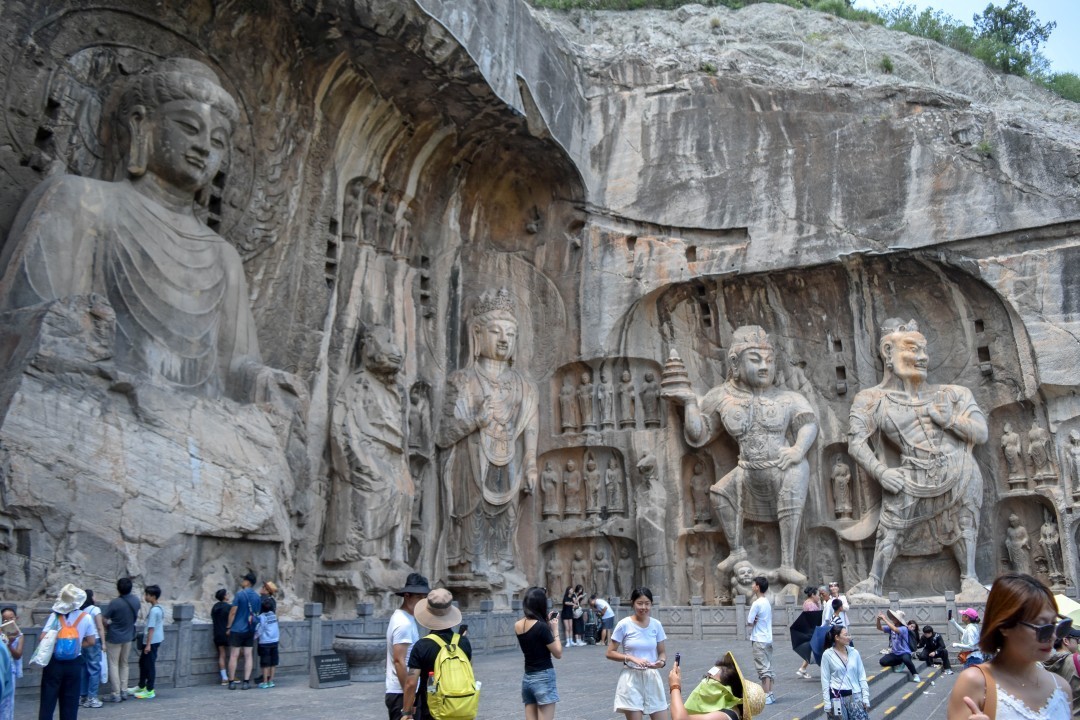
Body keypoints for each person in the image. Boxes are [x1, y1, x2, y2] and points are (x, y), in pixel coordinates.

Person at [0, 58, 288, 402]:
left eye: (218, 141)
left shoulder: (223, 256)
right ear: (141, 123)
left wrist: (266, 382)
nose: (204, 148)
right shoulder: (78, 200)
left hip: (197, 424)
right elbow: (31, 320)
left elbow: (237, 364)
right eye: (189, 127)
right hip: (88, 400)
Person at [663, 327, 818, 587]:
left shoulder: (788, 397)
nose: (764, 367)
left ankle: (788, 564)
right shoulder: (722, 397)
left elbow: (808, 423)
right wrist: (690, 402)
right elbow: (699, 434)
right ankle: (737, 550)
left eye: (769, 361)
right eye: (755, 360)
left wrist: (797, 450)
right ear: (735, 362)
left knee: (797, 473)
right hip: (747, 470)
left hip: (783, 467)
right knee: (719, 492)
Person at [847, 319, 988, 598]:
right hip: (911, 470)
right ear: (888, 352)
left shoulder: (953, 394)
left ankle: (969, 577)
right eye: (913, 350)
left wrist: (950, 420)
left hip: (958, 466)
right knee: (892, 523)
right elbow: (855, 443)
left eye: (924, 350)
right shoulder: (872, 399)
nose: (922, 357)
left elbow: (981, 433)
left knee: (964, 520)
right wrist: (881, 471)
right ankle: (875, 580)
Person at [435, 288, 539, 581]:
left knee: (507, 515)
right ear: (478, 335)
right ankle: (471, 561)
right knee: (474, 510)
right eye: (495, 331)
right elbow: (443, 435)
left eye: (510, 333)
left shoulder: (524, 385)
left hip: (509, 455)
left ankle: (503, 561)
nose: (504, 339)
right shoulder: (463, 380)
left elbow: (530, 423)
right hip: (471, 457)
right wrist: (475, 421)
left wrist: (531, 461)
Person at [947, 573, 1073, 720]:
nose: (1052, 636)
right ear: (1005, 626)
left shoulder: (1062, 687)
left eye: (1055, 625)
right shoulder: (974, 682)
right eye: (1041, 625)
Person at [401, 588, 473, 720]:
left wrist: (407, 712)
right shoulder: (463, 642)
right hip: (462, 706)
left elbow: (411, 682)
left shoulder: (422, 646)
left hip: (432, 710)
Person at [607, 587, 670, 720]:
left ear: (651, 604)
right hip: (631, 678)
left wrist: (661, 662)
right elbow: (610, 652)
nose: (643, 607)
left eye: (647, 603)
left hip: (652, 677)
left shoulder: (656, 625)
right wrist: (630, 657)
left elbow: (662, 652)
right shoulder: (624, 624)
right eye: (640, 603)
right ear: (633, 603)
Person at [38, 584, 98, 720]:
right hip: (74, 663)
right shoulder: (86, 617)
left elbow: (43, 638)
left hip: (54, 663)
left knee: (47, 702)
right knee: (70, 704)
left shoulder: (55, 616)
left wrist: (59, 642)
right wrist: (75, 645)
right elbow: (91, 641)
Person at [667, 651, 767, 720]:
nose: (704, 681)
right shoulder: (724, 708)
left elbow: (680, 718)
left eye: (709, 679)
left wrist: (674, 685)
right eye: (705, 676)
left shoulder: (725, 716)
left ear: (725, 691)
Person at [515, 587, 563, 720]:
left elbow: (534, 638)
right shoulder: (541, 627)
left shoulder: (518, 625)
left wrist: (545, 622)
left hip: (527, 678)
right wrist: (555, 629)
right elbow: (558, 653)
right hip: (543, 677)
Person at [386, 573, 429, 720]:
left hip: (407, 691)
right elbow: (399, 661)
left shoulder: (408, 619)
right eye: (418, 597)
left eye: (424, 598)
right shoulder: (403, 622)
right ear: (407, 595)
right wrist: (408, 702)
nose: (422, 602)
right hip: (401, 694)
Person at [820, 624, 870, 720]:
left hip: (855, 696)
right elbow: (825, 680)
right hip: (837, 698)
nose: (849, 637)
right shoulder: (827, 655)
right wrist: (827, 703)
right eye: (846, 635)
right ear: (837, 637)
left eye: (849, 634)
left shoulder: (854, 653)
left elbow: (862, 676)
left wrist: (866, 697)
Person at [102, 577, 139, 703]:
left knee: (113, 664)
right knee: (124, 663)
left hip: (114, 637)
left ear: (118, 588)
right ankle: (124, 690)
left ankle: (116, 693)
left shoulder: (115, 603)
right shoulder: (136, 601)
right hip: (128, 637)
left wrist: (108, 625)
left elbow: (105, 619)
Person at [226, 572, 261, 690]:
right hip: (250, 629)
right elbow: (257, 613)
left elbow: (233, 611)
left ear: (247, 582)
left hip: (237, 628)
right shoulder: (257, 597)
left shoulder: (240, 594)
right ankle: (246, 682)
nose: (242, 582)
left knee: (234, 655)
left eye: (244, 580)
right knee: (248, 655)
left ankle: (231, 681)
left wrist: (229, 626)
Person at [747, 576, 776, 705]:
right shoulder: (766, 602)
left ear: (758, 587)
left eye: (754, 584)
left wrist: (753, 621)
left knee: (762, 668)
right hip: (768, 638)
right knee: (768, 666)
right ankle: (770, 693)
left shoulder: (757, 603)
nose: (752, 586)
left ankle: (766, 695)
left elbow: (749, 621)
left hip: (759, 639)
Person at [1043, 625, 1080, 718]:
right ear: (1066, 641)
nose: (1078, 643)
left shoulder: (1043, 663)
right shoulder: (1076, 659)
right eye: (1077, 640)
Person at [134, 585, 163, 699]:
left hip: (152, 641)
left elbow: (151, 628)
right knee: (143, 662)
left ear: (153, 596)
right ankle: (142, 685)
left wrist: (148, 644)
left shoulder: (155, 610)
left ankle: (150, 689)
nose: (145, 597)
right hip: (154, 640)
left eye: (147, 595)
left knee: (149, 665)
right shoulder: (158, 608)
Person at [78, 590, 106, 708]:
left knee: (84, 668)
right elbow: (100, 627)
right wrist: (103, 643)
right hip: (94, 641)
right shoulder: (95, 610)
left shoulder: (80, 610)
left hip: (83, 641)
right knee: (94, 669)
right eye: (94, 595)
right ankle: (92, 697)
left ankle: (82, 696)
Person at [876, 610, 919, 682]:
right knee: (882, 662)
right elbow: (879, 628)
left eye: (894, 618)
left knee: (907, 660)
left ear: (899, 620)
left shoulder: (904, 628)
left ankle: (915, 674)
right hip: (895, 652)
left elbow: (895, 629)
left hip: (904, 652)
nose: (892, 619)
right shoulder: (891, 627)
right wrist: (878, 620)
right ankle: (900, 662)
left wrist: (885, 619)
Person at [1, 607, 24, 720]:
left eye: (11, 618)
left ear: (16, 619)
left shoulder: (19, 636)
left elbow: (18, 655)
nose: (8, 622)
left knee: (8, 701)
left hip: (10, 671)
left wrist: (9, 644)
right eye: (4, 620)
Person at [796, 586, 821, 680]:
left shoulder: (809, 602)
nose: (819, 597)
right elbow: (813, 617)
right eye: (818, 595)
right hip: (812, 630)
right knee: (812, 649)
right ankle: (802, 668)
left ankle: (803, 668)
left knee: (811, 649)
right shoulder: (810, 605)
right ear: (813, 595)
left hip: (810, 629)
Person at [255, 596, 279, 689]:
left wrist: (255, 636)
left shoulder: (261, 617)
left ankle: (264, 682)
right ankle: (271, 681)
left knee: (265, 663)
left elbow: (260, 630)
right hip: (275, 641)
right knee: (273, 663)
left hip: (265, 642)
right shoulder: (274, 615)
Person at [211, 589, 231, 686]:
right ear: (224, 596)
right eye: (227, 594)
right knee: (234, 654)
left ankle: (224, 677)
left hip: (217, 633)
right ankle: (231, 675)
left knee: (222, 655)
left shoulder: (214, 607)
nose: (228, 595)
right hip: (227, 633)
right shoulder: (228, 607)